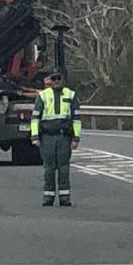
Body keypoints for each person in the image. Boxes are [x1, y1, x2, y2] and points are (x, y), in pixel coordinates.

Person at [30, 73, 82, 206]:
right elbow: (35, 118)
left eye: (59, 78)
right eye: (54, 79)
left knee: (64, 168)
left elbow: (76, 119)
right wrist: (35, 137)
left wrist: (76, 138)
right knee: (49, 168)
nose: (56, 81)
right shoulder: (43, 96)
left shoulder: (71, 95)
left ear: (63, 80)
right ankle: (48, 197)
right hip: (47, 137)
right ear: (50, 81)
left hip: (64, 137)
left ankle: (65, 197)